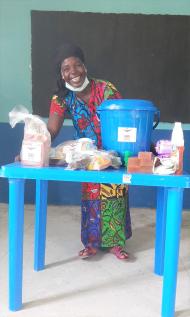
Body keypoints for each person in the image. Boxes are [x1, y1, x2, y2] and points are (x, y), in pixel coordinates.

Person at [47, 43, 132, 260]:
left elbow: (124, 119)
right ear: (61, 73)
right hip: (86, 156)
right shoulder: (62, 97)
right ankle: (92, 243)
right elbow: (52, 130)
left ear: (84, 67)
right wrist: (33, 146)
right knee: (91, 196)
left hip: (113, 154)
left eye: (76, 65)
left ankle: (115, 244)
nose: (72, 72)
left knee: (114, 194)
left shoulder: (105, 89)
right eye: (66, 68)